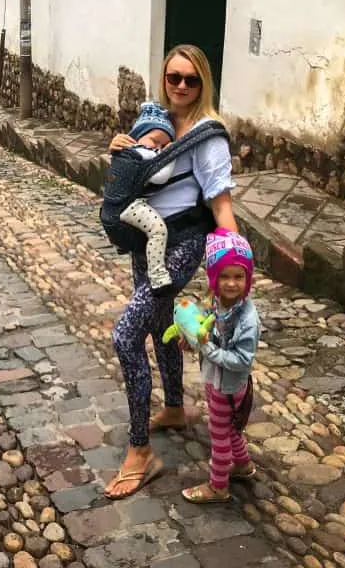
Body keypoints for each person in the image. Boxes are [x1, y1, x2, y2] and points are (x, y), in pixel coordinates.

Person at [104, 44, 239, 501]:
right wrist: (122, 147)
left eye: (190, 80)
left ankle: (140, 451)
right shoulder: (158, 122)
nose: (180, 86)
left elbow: (221, 203)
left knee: (126, 336)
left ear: (204, 83)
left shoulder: (207, 135)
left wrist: (234, 269)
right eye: (173, 77)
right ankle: (177, 408)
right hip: (145, 243)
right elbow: (139, 170)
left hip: (180, 244)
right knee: (160, 322)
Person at [182, 230, 259, 503]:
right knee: (230, 429)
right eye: (224, 276)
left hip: (228, 386)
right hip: (216, 380)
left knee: (219, 435)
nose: (231, 283)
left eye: (238, 277)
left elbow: (241, 360)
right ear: (213, 278)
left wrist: (208, 349)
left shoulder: (247, 320)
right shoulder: (220, 304)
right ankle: (243, 465)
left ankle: (218, 486)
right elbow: (209, 332)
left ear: (247, 278)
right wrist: (193, 342)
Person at [100, 103, 179, 294]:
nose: (158, 148)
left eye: (164, 145)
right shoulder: (140, 152)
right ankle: (158, 274)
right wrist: (171, 153)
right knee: (158, 230)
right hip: (130, 205)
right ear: (138, 136)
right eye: (155, 141)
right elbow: (161, 177)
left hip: (117, 207)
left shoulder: (128, 152)